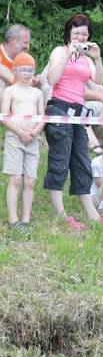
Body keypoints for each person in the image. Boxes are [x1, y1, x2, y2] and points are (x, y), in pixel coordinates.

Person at [43, 13, 103, 230]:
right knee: (59, 162)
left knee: (81, 161)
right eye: (76, 33)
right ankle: (61, 215)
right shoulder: (59, 51)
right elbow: (52, 80)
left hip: (78, 113)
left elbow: (99, 81)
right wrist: (68, 54)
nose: (80, 37)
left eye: (84, 34)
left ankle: (92, 215)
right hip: (59, 109)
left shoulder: (86, 59)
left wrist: (97, 58)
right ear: (69, 33)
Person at [1, 53, 44, 228]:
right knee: (16, 179)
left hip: (32, 139)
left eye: (30, 70)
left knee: (30, 180)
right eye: (23, 70)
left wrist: (34, 132)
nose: (27, 73)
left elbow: (42, 117)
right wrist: (20, 132)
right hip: (15, 138)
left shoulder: (37, 93)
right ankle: (13, 220)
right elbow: (4, 116)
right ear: (15, 70)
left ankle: (26, 220)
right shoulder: (10, 91)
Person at [0, 24, 31, 107]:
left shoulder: (23, 58)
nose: (28, 47)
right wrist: (17, 81)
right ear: (13, 40)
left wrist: (37, 83)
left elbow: (29, 84)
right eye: (25, 43)